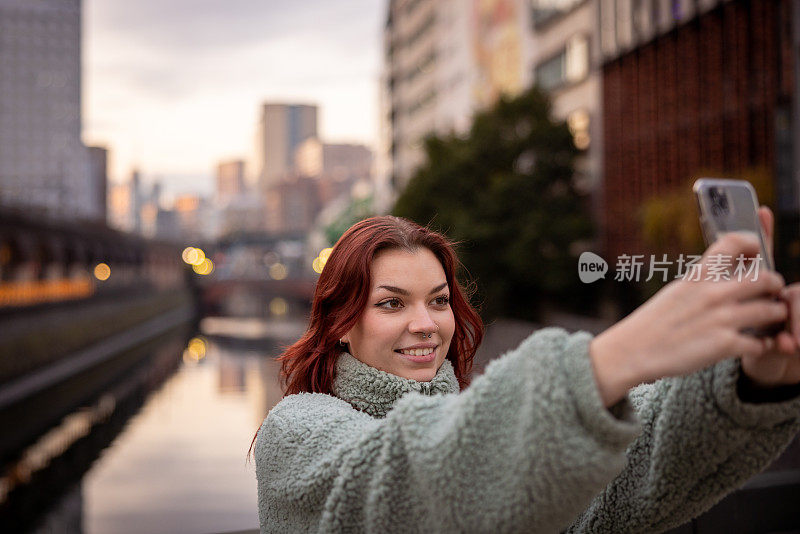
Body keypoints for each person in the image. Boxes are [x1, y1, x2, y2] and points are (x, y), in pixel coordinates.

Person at [254, 213, 800, 533]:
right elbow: (407, 481)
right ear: (339, 324)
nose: (425, 325)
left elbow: (628, 476)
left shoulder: (482, 417)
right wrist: (626, 350)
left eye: (439, 301)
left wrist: (753, 379)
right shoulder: (297, 431)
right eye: (392, 304)